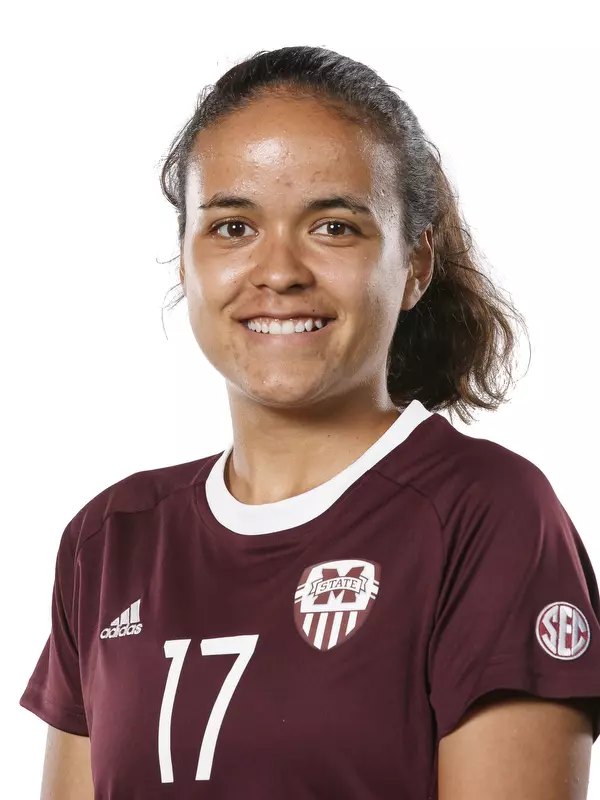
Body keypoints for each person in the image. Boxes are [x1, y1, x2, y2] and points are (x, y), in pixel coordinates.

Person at [20, 45, 600, 800]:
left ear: (416, 263)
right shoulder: (109, 539)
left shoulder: (485, 513)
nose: (280, 272)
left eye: (334, 227)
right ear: (185, 259)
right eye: (233, 227)